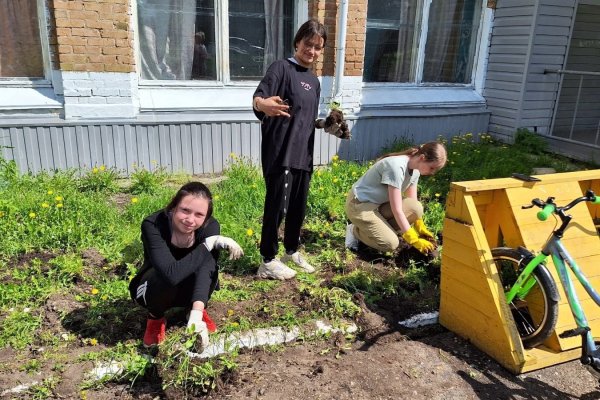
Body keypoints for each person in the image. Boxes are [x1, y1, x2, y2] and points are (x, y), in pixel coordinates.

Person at [251, 19, 327, 280]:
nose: (312, 51)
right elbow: (258, 98)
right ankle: (267, 260)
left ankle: (291, 250)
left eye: (318, 47)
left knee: (297, 207)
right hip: (281, 151)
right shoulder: (281, 69)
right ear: (297, 43)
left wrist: (328, 124)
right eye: (308, 44)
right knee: (278, 206)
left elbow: (307, 117)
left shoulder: (315, 82)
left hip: (303, 154)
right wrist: (263, 105)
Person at [129, 182, 243, 348]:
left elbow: (207, 268)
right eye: (185, 210)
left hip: (190, 288)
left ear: (206, 217)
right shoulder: (154, 224)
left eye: (199, 215)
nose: (190, 220)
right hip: (153, 289)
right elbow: (170, 274)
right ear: (173, 207)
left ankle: (194, 310)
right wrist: (208, 244)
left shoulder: (210, 227)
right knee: (164, 276)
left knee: (207, 262)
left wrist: (196, 314)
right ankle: (156, 318)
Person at [344, 142, 447, 255]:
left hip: (378, 205)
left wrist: (419, 225)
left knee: (416, 208)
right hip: (359, 205)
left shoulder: (415, 170)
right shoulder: (396, 167)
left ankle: (377, 230)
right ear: (422, 158)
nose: (432, 172)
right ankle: (354, 230)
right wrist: (413, 239)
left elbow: (412, 200)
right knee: (390, 244)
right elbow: (397, 210)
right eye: (432, 168)